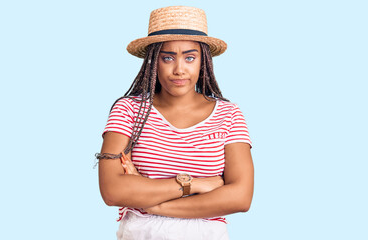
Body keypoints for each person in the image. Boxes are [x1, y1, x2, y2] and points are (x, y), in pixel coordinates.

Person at [97, 6, 254, 240]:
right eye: (168, 58)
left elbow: (240, 197)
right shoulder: (129, 110)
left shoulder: (228, 114)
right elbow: (112, 191)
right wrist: (195, 184)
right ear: (152, 61)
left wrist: (153, 206)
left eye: (190, 57)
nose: (179, 69)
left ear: (204, 62)